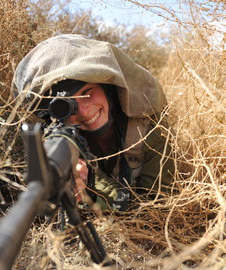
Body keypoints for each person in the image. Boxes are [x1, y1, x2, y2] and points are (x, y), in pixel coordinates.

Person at [13, 34, 177, 211]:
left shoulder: (151, 130)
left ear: (107, 87)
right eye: (66, 106)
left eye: (88, 92)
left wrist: (92, 182)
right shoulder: (53, 141)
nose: (83, 110)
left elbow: (157, 211)